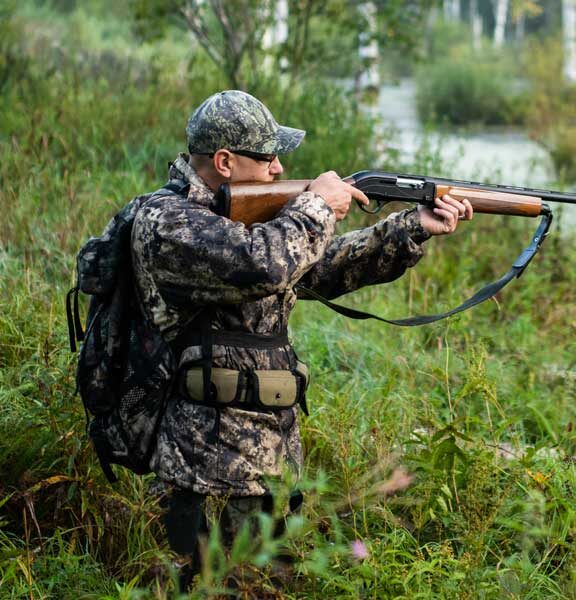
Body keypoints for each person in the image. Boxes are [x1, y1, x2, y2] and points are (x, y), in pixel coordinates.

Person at [130, 89, 473, 588]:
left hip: (268, 455)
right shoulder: (168, 221)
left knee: (262, 583)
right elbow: (261, 264)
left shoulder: (260, 222)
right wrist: (317, 206)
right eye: (267, 158)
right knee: (204, 585)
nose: (276, 169)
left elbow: (318, 267)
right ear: (224, 162)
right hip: (203, 462)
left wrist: (409, 228)